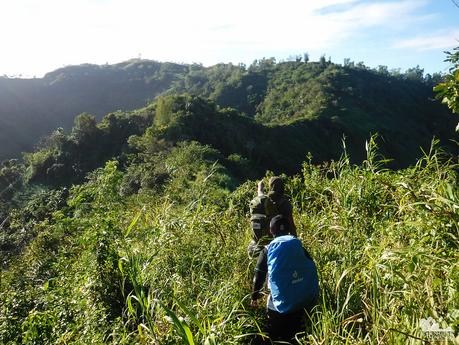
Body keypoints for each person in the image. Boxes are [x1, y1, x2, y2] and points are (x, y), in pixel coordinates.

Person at [250, 215, 319, 343]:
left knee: (274, 335)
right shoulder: (297, 244)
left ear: (271, 230)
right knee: (296, 335)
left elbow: (259, 274)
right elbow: (311, 267)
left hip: (278, 307)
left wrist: (254, 297)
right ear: (288, 229)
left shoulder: (268, 249)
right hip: (302, 301)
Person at [247, 177, 296, 258]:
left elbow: (260, 193)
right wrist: (295, 244)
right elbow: (292, 226)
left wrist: (260, 186)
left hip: (260, 243)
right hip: (277, 242)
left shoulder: (265, 200)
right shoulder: (284, 203)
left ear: (270, 187)